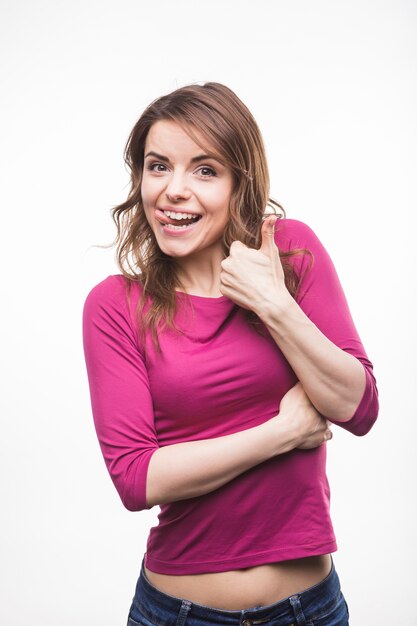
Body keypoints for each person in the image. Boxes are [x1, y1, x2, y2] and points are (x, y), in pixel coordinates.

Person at [82, 82, 379, 626]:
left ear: (241, 181)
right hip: (176, 613)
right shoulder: (115, 305)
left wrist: (273, 302)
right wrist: (281, 434)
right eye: (157, 166)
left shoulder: (291, 252)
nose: (173, 190)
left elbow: (357, 407)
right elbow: (136, 478)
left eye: (204, 169)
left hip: (309, 610)